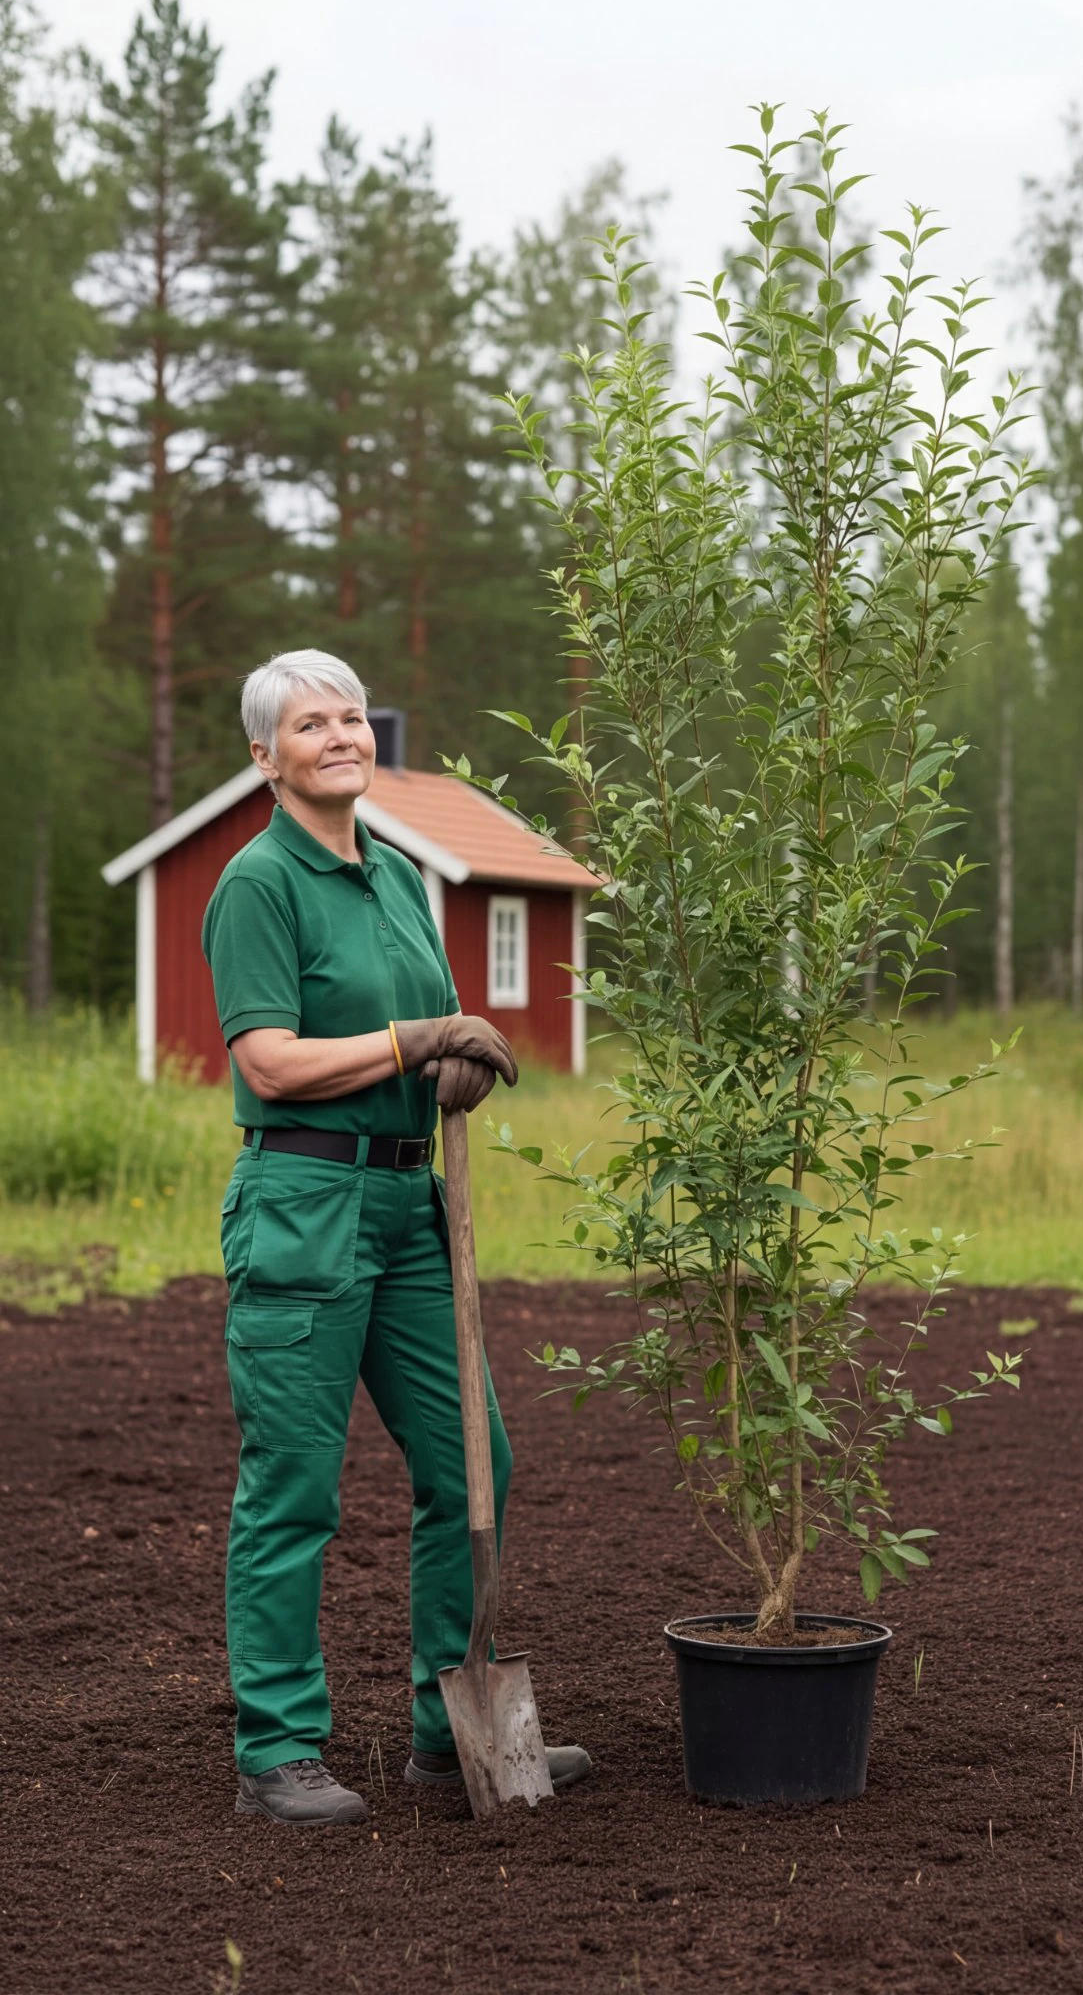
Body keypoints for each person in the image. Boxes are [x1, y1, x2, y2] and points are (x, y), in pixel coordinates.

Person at [202, 649, 591, 1823]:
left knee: (475, 1460)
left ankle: (443, 1722)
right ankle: (277, 1750)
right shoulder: (257, 883)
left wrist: (454, 1070)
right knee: (295, 1486)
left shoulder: (396, 879)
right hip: (305, 1209)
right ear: (264, 756)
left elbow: (424, 1043)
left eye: (352, 718)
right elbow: (267, 1057)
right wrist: (420, 1036)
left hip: (412, 1208)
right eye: (309, 723)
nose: (340, 735)